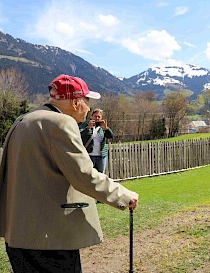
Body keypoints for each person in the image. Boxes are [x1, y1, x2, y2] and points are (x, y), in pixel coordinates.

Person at [0, 74, 139, 272]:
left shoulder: (22, 121)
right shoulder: (61, 123)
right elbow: (83, 175)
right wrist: (123, 195)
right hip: (49, 240)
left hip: (17, 236)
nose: (89, 108)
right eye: (87, 101)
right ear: (75, 102)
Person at [80, 109, 114, 173]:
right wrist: (88, 128)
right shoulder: (85, 124)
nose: (97, 118)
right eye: (95, 116)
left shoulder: (102, 127)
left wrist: (106, 128)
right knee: (89, 174)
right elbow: (80, 135)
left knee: (101, 175)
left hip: (101, 156)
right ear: (91, 116)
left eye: (99, 117)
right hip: (89, 155)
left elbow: (110, 136)